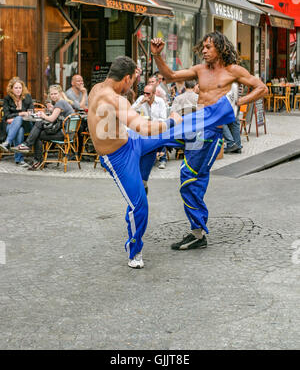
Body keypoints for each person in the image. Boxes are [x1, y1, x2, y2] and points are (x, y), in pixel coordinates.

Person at [88, 55, 239, 269]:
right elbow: (144, 127)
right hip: (118, 158)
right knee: (139, 206)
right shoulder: (115, 99)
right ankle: (135, 253)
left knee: (173, 133)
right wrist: (169, 120)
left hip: (131, 142)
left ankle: (221, 110)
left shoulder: (97, 89)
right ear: (127, 78)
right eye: (132, 81)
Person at [151, 31, 268, 251]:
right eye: (203, 47)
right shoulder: (199, 70)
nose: (204, 51)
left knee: (190, 175)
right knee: (157, 139)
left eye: (208, 47)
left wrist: (236, 103)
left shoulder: (233, 71)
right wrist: (158, 56)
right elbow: (171, 76)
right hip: (194, 126)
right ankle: (195, 230)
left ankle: (197, 232)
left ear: (220, 49)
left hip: (210, 133)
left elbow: (262, 87)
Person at [12, 85, 74, 170]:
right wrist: (52, 109)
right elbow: (57, 115)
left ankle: (32, 152)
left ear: (60, 93)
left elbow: (51, 119)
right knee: (38, 129)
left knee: (38, 130)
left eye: (55, 93)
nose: (53, 96)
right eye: (51, 94)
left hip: (63, 134)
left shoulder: (60, 103)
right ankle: (33, 154)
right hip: (67, 133)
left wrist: (43, 115)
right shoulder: (61, 103)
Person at [132, 83, 168, 171]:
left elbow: (163, 118)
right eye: (144, 92)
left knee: (160, 134)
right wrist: (140, 103)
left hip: (156, 126)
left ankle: (163, 159)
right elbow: (131, 111)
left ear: (154, 93)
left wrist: (153, 124)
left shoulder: (160, 102)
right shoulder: (141, 99)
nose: (145, 95)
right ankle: (143, 157)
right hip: (144, 127)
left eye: (148, 93)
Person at [0, 77, 34, 167]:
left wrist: (18, 116)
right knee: (19, 129)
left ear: (22, 88)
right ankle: (19, 160)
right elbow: (6, 116)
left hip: (27, 124)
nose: (18, 90)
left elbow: (31, 112)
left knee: (19, 119)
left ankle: (7, 142)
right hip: (11, 126)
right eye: (16, 88)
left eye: (20, 87)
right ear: (11, 89)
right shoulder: (7, 99)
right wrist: (22, 114)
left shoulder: (27, 97)